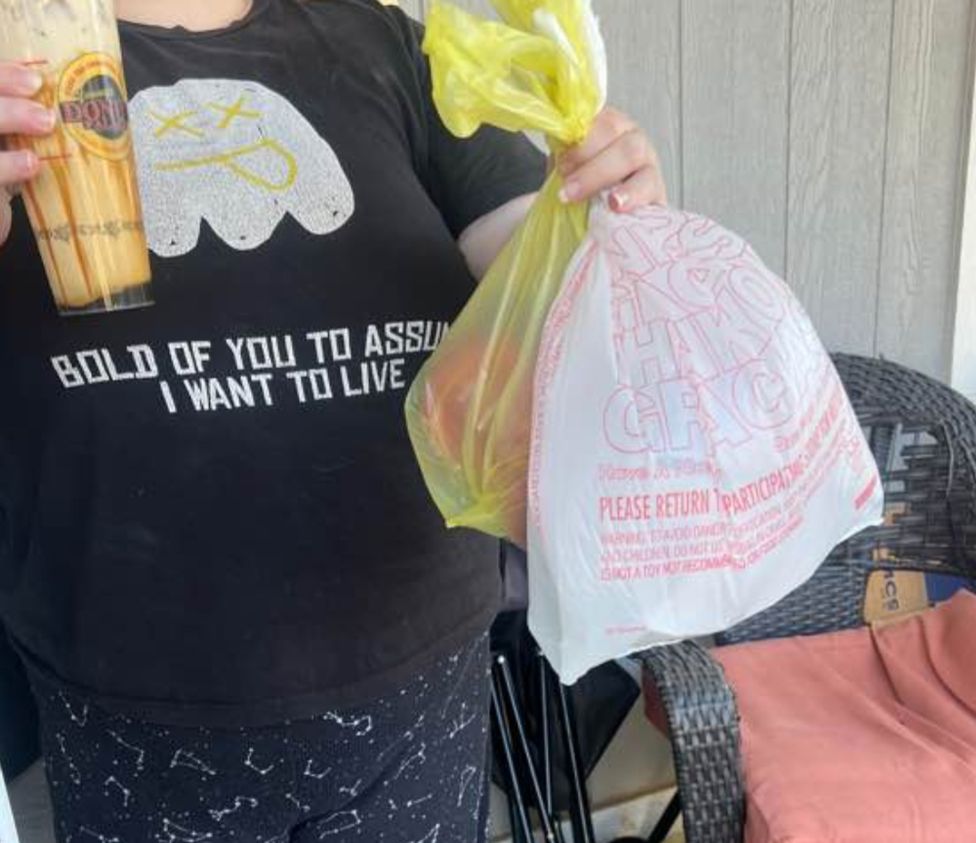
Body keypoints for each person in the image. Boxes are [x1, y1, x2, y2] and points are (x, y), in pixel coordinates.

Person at [0, 0, 666, 840]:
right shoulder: (20, 59)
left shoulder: (388, 46)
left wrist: (608, 218)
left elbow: (549, 308)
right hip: (135, 727)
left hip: (414, 700)